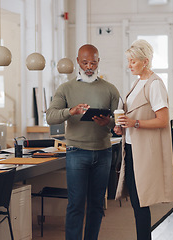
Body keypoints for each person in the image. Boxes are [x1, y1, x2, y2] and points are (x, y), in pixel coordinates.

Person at [46, 44, 120, 240]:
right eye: (85, 62)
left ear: (98, 62)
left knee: (97, 205)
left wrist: (109, 122)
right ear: (78, 61)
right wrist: (71, 111)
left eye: (93, 62)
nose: (89, 66)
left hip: (103, 152)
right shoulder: (66, 88)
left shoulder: (110, 89)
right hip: (76, 152)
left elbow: (119, 123)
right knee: (76, 204)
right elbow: (51, 116)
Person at [114, 39, 173, 240]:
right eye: (129, 61)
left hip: (145, 153)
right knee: (136, 201)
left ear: (145, 61)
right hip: (131, 149)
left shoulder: (154, 84)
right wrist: (122, 126)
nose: (129, 65)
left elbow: (163, 120)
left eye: (133, 61)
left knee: (141, 201)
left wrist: (135, 123)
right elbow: (133, 116)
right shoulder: (137, 82)